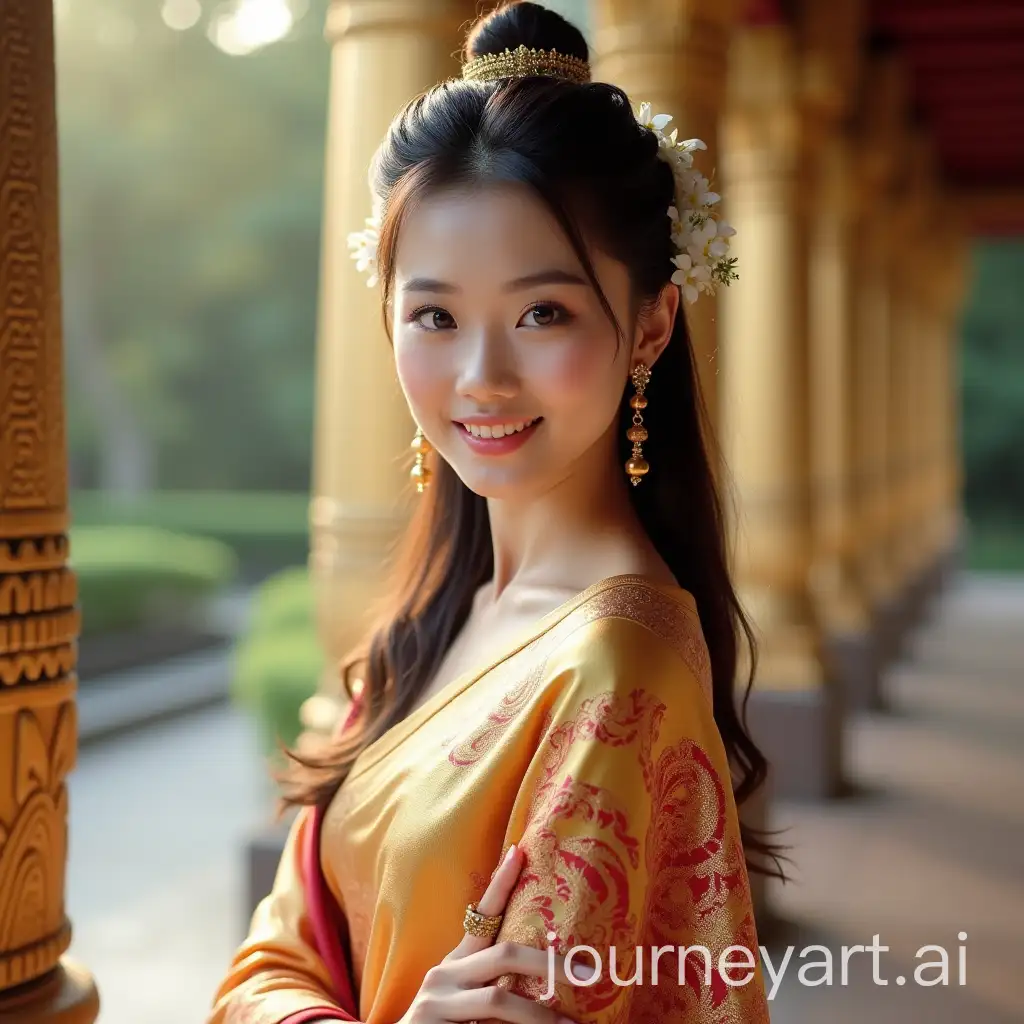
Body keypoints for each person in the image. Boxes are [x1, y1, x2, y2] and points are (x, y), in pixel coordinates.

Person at [207, 3, 783, 1022]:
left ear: (651, 324)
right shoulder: (439, 611)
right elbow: (272, 951)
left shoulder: (615, 676)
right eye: (434, 315)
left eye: (542, 313)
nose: (481, 378)